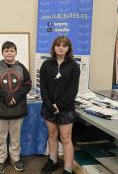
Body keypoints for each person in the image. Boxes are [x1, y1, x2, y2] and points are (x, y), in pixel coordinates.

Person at [0, 41, 32, 174]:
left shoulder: (22, 68)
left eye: (12, 50)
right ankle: (0, 160)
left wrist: (16, 97)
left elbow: (27, 84)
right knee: (0, 137)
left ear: (15, 52)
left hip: (17, 110)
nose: (9, 53)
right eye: (6, 50)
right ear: (2, 52)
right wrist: (6, 97)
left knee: (15, 137)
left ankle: (15, 157)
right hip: (0, 109)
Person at [39, 36, 80, 174]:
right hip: (49, 107)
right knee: (52, 134)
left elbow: (72, 90)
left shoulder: (74, 66)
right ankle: (53, 160)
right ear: (54, 47)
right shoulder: (46, 65)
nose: (60, 48)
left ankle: (68, 168)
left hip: (66, 108)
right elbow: (43, 88)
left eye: (64, 45)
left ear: (68, 48)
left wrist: (60, 105)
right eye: (58, 45)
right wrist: (50, 105)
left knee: (66, 138)